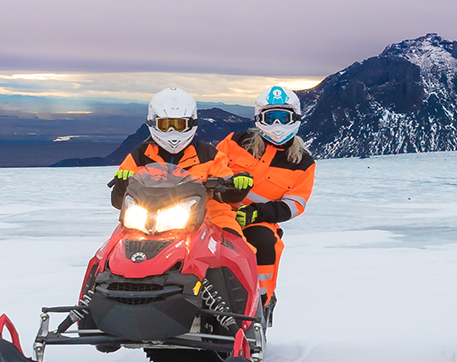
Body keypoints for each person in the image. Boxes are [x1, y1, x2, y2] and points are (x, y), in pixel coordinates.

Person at [217, 86, 316, 311]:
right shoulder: (236, 141)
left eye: (284, 118)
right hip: (216, 210)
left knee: (263, 244)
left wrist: (257, 213)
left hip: (258, 220)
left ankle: (260, 304)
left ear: (295, 118)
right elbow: (211, 168)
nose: (277, 125)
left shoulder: (302, 162)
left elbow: (294, 204)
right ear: (259, 118)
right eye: (270, 118)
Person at [109, 87, 251, 234]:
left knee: (233, 245)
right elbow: (120, 202)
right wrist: (122, 184)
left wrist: (236, 185)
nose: (173, 131)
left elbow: (226, 193)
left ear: (191, 124)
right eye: (165, 125)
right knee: (118, 248)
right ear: (153, 123)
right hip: (149, 218)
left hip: (209, 216)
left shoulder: (209, 155)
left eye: (179, 125)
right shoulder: (139, 156)